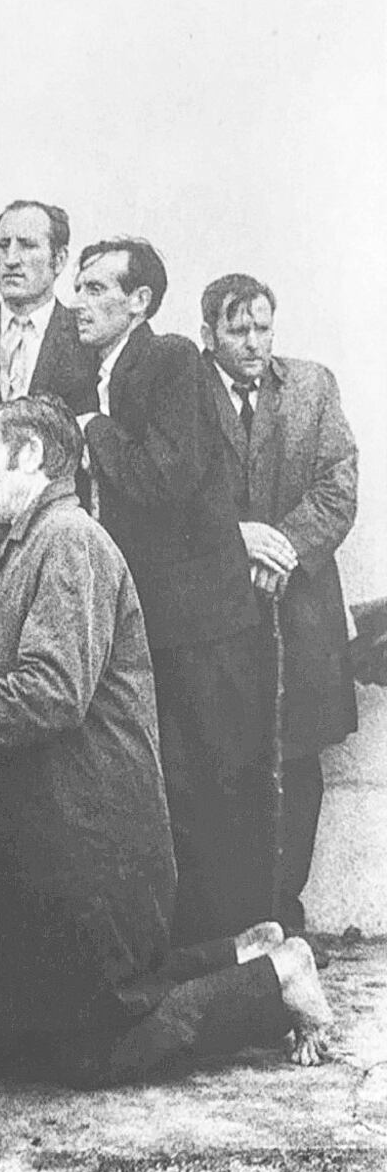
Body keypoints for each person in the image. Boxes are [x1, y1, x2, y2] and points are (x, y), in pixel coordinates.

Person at [0, 394, 333, 1087]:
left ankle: (273, 983)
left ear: (33, 457)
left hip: (87, 846)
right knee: (12, 1041)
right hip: (51, 840)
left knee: (91, 1051)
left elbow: (49, 694)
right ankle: (242, 950)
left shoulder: (69, 542)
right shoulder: (26, 547)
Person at [73, 237, 268, 946]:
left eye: (98, 289)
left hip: (200, 624)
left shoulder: (171, 357)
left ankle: (244, 949)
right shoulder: (100, 367)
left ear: (140, 302)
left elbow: (168, 475)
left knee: (213, 786)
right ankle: (195, 946)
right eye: (81, 287)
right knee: (169, 785)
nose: (80, 302)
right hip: (152, 620)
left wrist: (95, 432)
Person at [200, 273, 358, 934]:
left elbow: (338, 487)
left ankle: (284, 915)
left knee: (297, 761)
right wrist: (237, 548)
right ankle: (228, 922)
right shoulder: (189, 395)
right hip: (217, 614)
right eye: (237, 329)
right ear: (208, 334)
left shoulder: (313, 387)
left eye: (263, 326)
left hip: (299, 610)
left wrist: (281, 550)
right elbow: (180, 495)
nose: (253, 342)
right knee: (220, 761)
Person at [0, 200, 95, 414]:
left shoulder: (85, 336)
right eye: (3, 245)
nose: (11, 259)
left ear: (58, 260)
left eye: (27, 245)